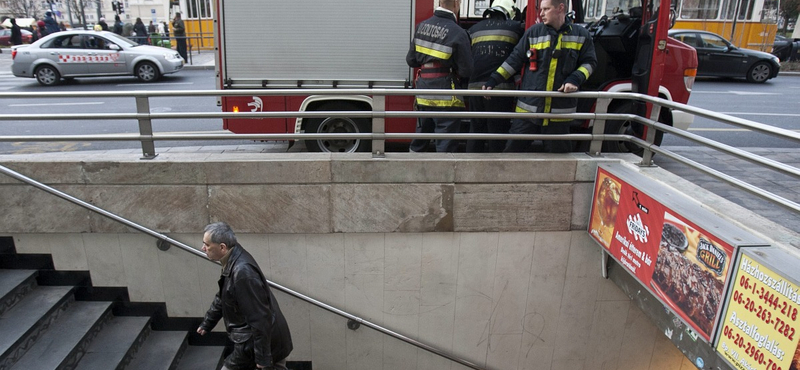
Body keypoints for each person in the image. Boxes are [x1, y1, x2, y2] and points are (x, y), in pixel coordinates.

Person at [483, 0, 597, 153]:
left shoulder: (581, 35)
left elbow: (590, 63)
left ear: (560, 8)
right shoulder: (534, 32)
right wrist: (494, 79)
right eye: (541, 9)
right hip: (528, 112)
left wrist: (575, 79)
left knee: (559, 162)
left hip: (559, 114)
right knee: (511, 156)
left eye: (546, 9)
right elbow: (514, 60)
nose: (541, 13)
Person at [197, 222, 293, 370]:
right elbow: (224, 295)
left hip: (258, 342)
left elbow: (260, 317)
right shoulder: (232, 259)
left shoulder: (242, 273)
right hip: (261, 340)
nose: (203, 248)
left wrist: (262, 356)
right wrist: (208, 322)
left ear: (222, 247)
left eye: (207, 245)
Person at [406, 0, 472, 153]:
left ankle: (412, 173)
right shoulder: (458, 32)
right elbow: (467, 70)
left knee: (419, 140)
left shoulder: (421, 26)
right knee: (445, 145)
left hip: (423, 94)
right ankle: (442, 176)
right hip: (446, 96)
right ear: (456, 3)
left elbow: (411, 60)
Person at [465, 0, 524, 152]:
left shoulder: (473, 29)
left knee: (476, 130)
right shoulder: (516, 28)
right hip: (500, 89)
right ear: (509, 12)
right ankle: (494, 169)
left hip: (475, 88)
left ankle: (470, 168)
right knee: (497, 132)